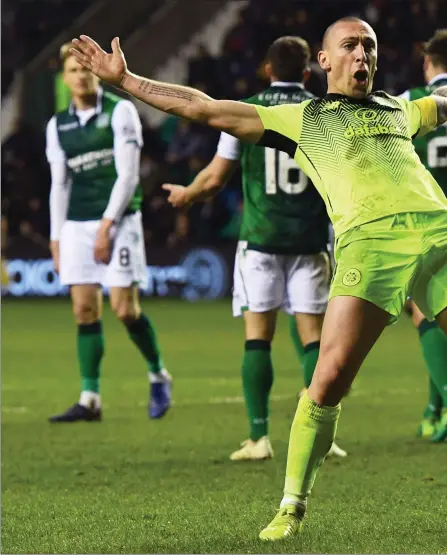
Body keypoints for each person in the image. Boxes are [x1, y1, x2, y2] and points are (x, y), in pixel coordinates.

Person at [71, 16, 447, 540]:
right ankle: (292, 506)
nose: (361, 54)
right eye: (350, 46)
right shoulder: (303, 119)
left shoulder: (399, 108)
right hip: (369, 245)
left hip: (438, 235)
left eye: (369, 46)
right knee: (329, 378)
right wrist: (128, 82)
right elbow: (201, 107)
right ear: (324, 61)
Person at [162, 36, 346, 461]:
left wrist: (186, 196)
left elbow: (213, 180)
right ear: (306, 73)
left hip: (262, 241)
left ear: (267, 69)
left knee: (257, 339)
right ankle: (323, 436)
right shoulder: (325, 115)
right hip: (312, 241)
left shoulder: (246, 111)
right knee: (315, 342)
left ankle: (259, 438)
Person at [47, 43, 172, 423]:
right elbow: (60, 185)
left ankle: (158, 374)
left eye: (86, 67)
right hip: (76, 226)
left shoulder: (122, 112)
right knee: (84, 310)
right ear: (65, 78)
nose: (81, 75)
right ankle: (90, 399)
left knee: (124, 309)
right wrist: (56, 237)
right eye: (73, 69)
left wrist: (107, 224)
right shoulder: (57, 126)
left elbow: (129, 174)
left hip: (119, 222)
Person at [399, 29, 447, 440]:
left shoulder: (407, 102)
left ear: (428, 62)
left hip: (430, 221)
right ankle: (435, 407)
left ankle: (443, 402)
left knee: (427, 308)